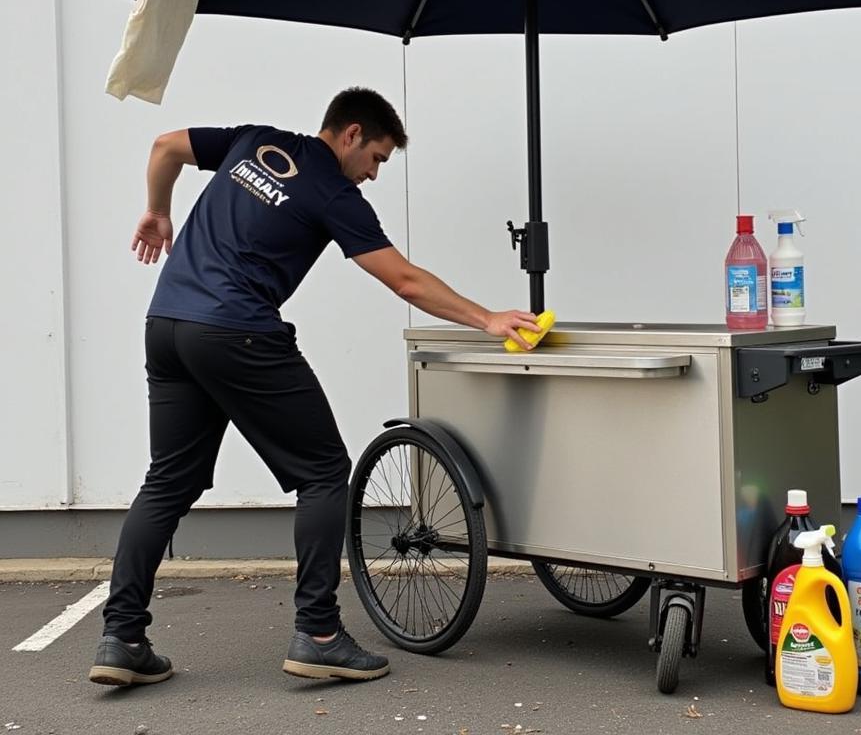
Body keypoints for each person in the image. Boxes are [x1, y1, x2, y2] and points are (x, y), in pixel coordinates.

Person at [89, 87, 538, 688]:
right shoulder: (331, 190)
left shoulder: (255, 141)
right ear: (350, 134)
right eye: (376, 158)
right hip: (237, 330)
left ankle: (121, 639)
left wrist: (157, 210)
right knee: (324, 473)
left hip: (167, 322)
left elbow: (166, 145)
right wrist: (487, 319)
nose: (373, 175)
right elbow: (403, 279)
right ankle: (319, 634)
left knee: (167, 480)